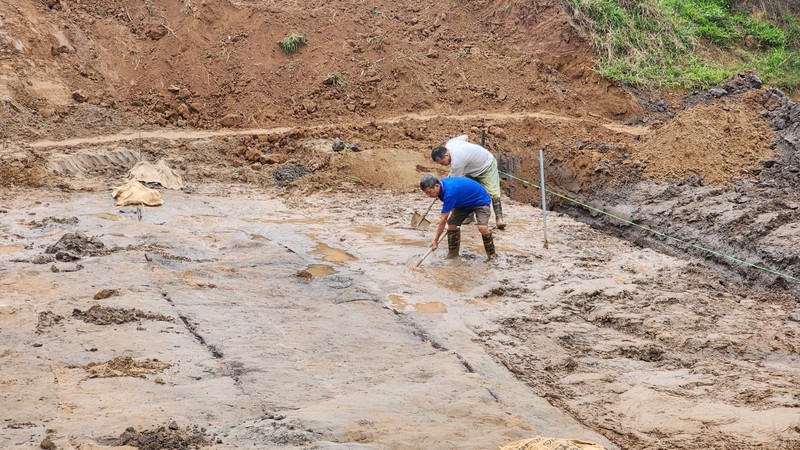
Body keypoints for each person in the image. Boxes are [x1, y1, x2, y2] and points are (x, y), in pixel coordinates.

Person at [431, 135, 506, 229]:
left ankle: (499, 219)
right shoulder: (450, 143)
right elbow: (465, 137)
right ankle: (469, 217)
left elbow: (454, 185)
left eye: (443, 162)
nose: (443, 165)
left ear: (446, 155)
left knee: (493, 192)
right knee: (467, 191)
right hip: (470, 169)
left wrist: (442, 191)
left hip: (486, 166)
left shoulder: (457, 162)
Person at [419, 174, 496, 260]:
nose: (428, 195)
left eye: (429, 192)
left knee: (482, 227)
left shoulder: (449, 193)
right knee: (452, 224)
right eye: (426, 193)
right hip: (463, 203)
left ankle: (492, 256)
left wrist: (436, 241)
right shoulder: (442, 186)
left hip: (480, 200)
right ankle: (453, 255)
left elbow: (443, 220)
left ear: (437, 186)